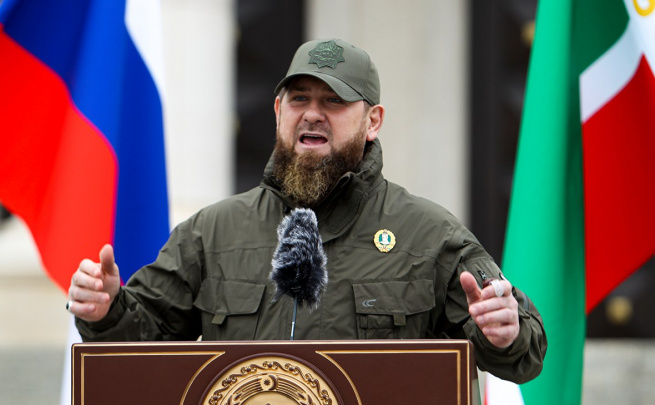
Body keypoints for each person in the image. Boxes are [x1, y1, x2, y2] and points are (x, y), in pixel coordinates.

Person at [67, 38, 546, 384]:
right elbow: (140, 343)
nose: (313, 113)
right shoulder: (211, 232)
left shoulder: (429, 233)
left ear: (373, 121)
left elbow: (524, 352)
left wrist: (504, 331)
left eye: (334, 101)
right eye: (300, 98)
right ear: (279, 111)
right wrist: (106, 311)